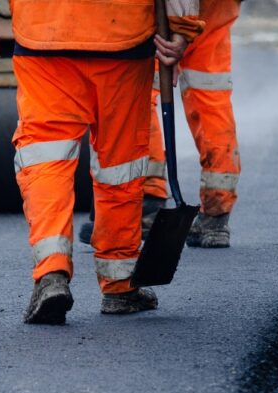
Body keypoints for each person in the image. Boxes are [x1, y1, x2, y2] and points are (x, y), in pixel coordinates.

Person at [0, 0, 203, 325]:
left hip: (45, 35)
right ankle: (120, 285)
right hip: (124, 37)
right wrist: (182, 27)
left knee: (46, 156)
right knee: (121, 164)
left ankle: (51, 273)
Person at [78, 0, 241, 249]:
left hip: (165, 7)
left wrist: (178, 24)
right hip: (216, 6)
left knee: (143, 86)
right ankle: (216, 217)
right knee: (210, 93)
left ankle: (148, 199)